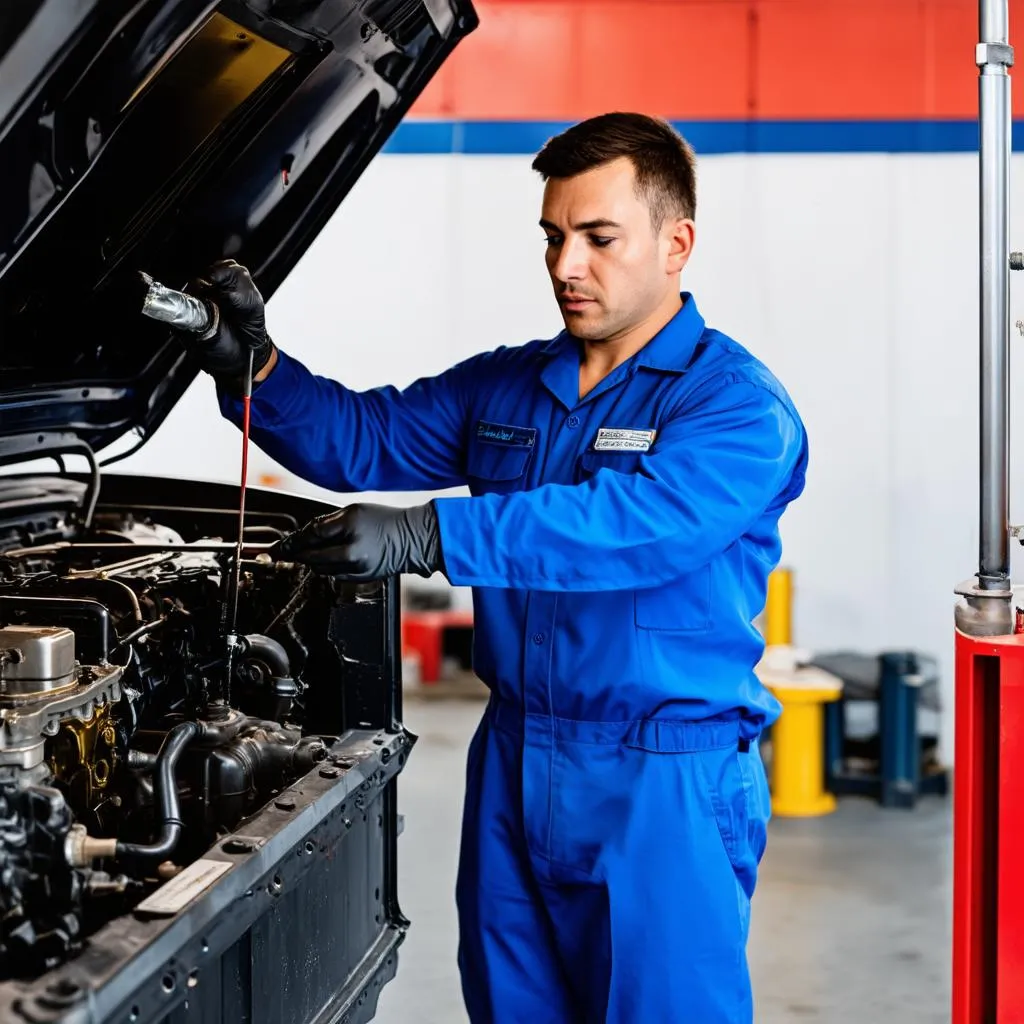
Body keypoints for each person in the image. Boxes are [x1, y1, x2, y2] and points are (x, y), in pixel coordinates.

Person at [181, 112, 808, 1023]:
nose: (566, 265)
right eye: (553, 237)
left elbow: (635, 526)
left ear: (677, 245)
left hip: (663, 775)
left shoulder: (737, 409)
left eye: (599, 238)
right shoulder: (511, 387)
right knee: (512, 1007)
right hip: (517, 758)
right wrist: (257, 370)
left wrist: (427, 535)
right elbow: (365, 435)